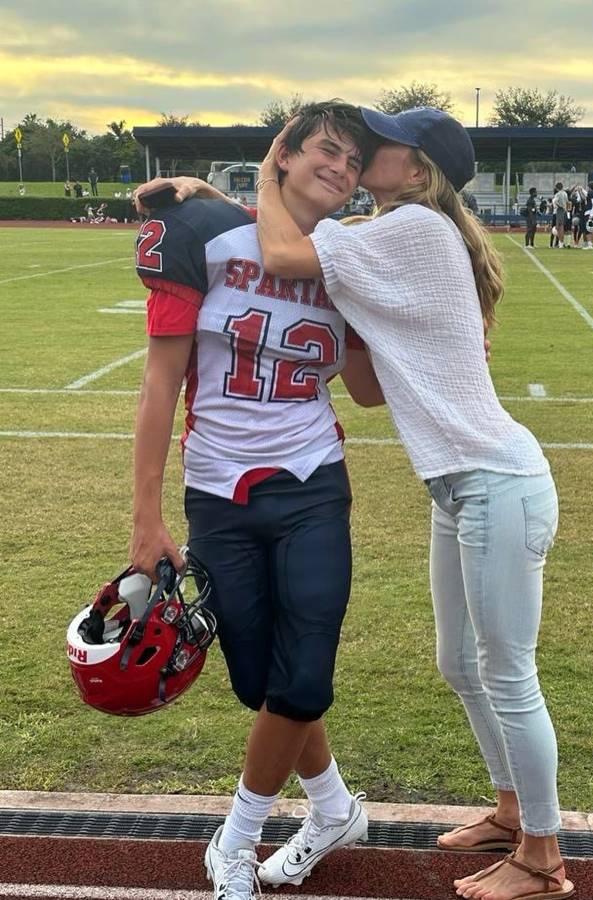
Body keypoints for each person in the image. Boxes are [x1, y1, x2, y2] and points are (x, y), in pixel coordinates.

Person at [148, 105, 574, 900]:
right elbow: (371, 386)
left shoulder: (412, 229)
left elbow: (279, 245)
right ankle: (513, 809)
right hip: (461, 485)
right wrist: (213, 203)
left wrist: (267, 165)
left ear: (416, 172)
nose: (365, 154)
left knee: (509, 673)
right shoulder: (396, 236)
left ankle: (543, 860)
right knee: (460, 663)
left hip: (496, 480)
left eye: (383, 146)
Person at [131, 101, 384, 900]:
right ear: (283, 154)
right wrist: (145, 517)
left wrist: (407, 324)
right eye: (326, 150)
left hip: (311, 480)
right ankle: (335, 807)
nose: (339, 168)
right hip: (216, 490)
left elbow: (372, 394)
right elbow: (161, 381)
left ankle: (234, 840)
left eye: (353, 161)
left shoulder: (350, 257)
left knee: (303, 682)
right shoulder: (209, 233)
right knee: (262, 686)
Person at [551, 182, 568, 249]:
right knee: (562, 227)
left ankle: (560, 243)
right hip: (564, 211)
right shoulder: (565, 193)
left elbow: (555, 201)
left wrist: (557, 206)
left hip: (560, 210)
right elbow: (567, 202)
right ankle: (561, 243)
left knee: (559, 227)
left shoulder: (558, 194)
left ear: (556, 187)